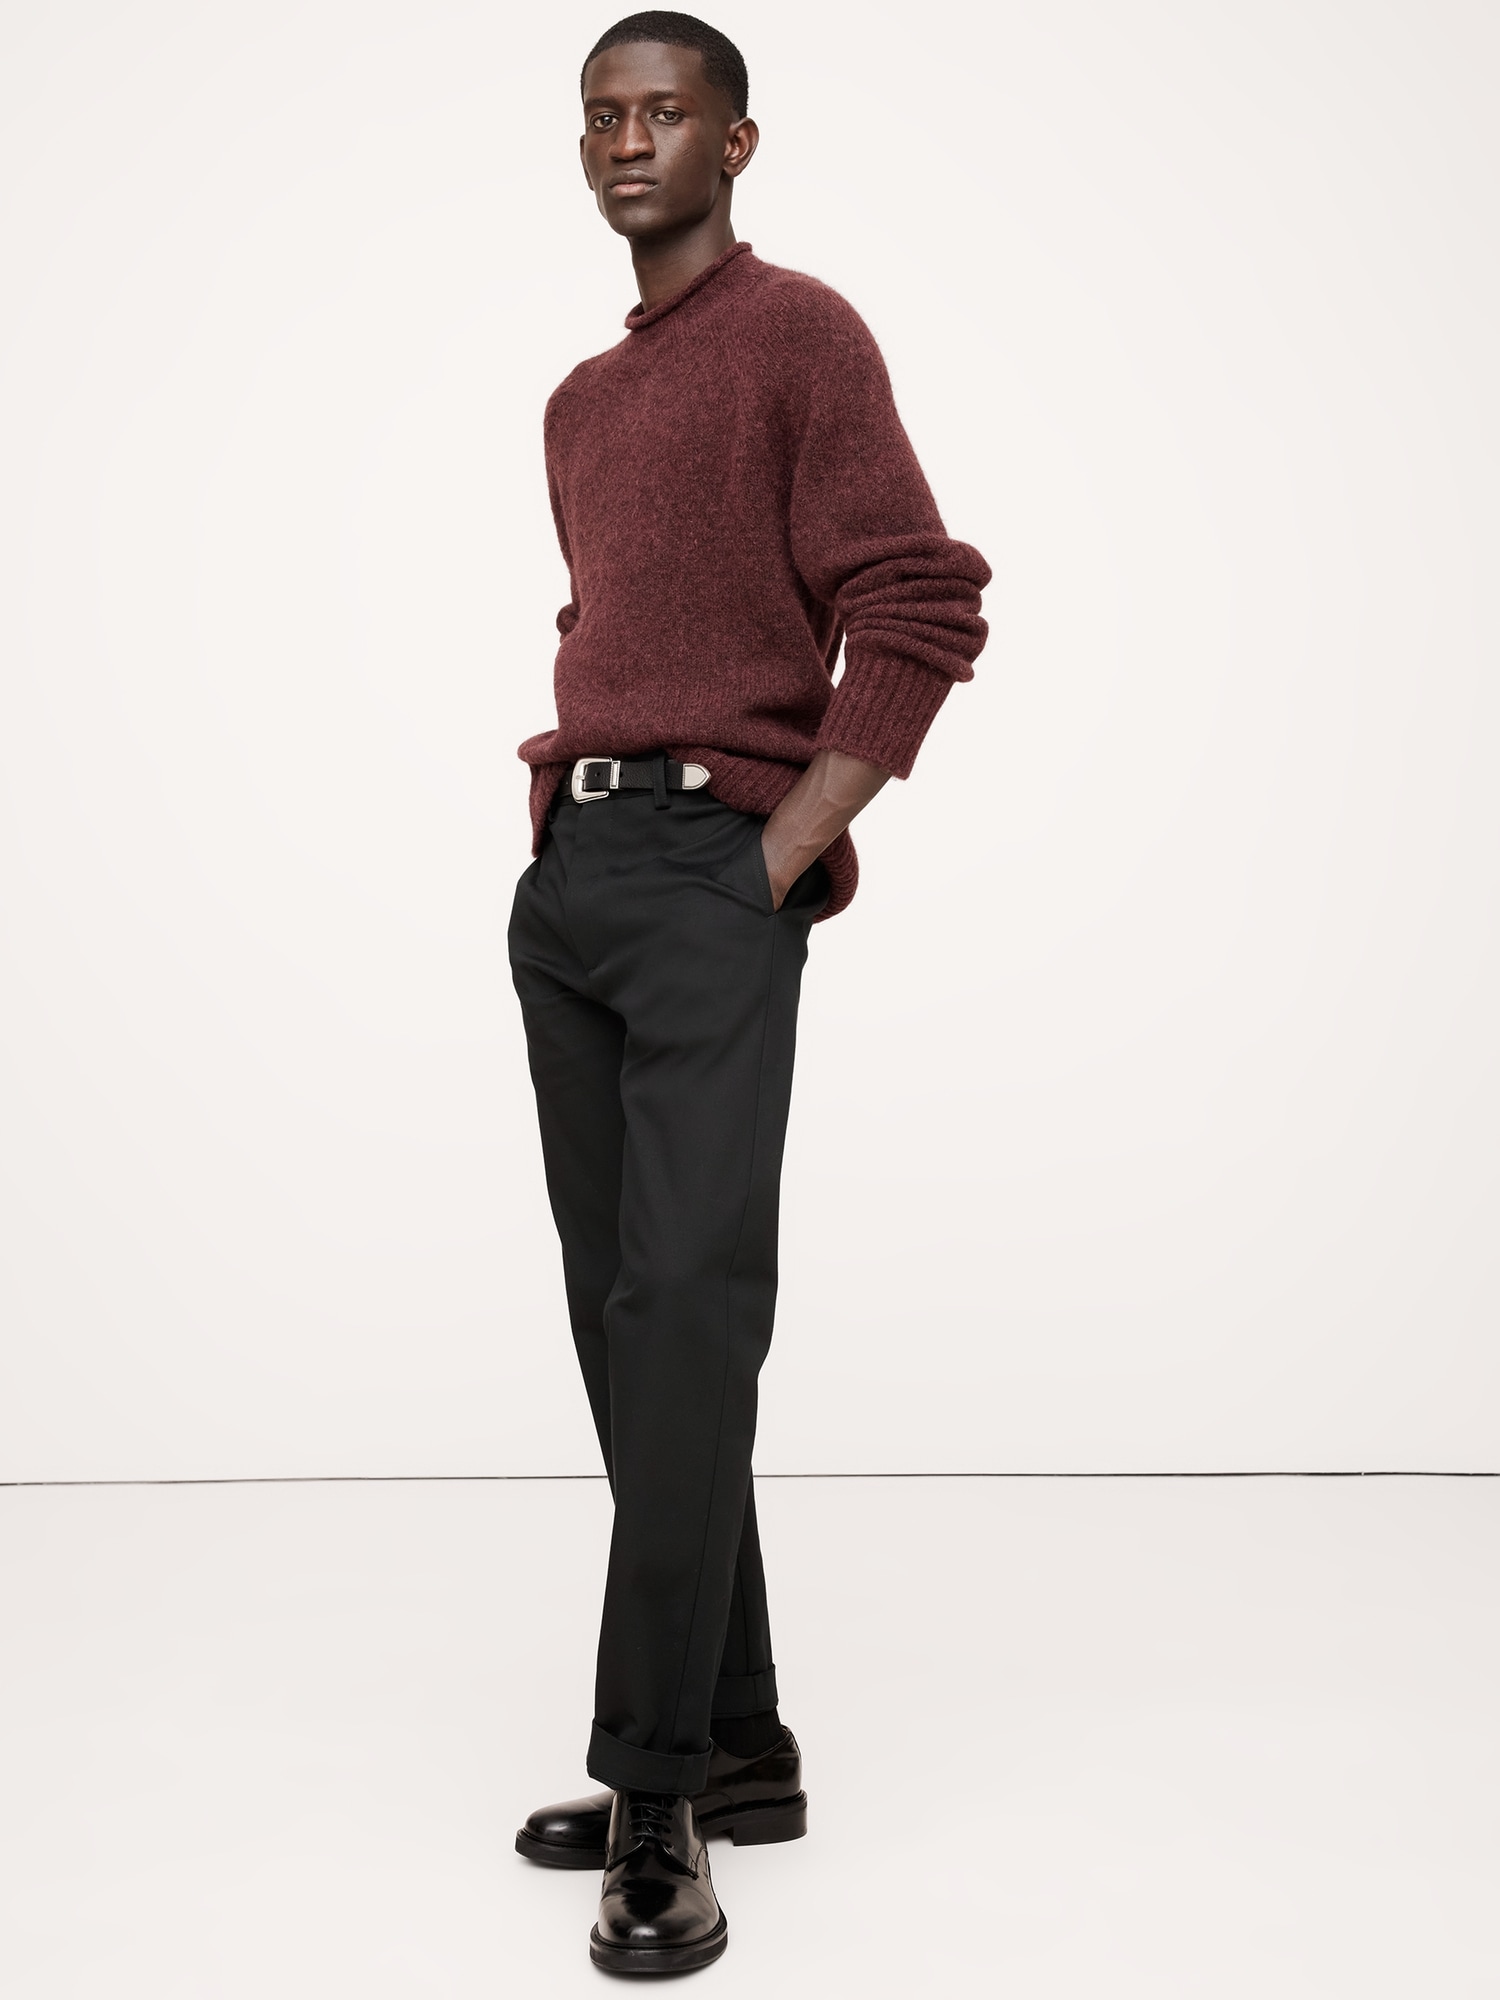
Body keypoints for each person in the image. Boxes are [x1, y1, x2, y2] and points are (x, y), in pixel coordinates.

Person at [507, 11, 990, 1975]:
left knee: (689, 1314)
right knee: (634, 1335)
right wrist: (564, 844)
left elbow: (920, 595)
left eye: (664, 111)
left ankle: (654, 1797)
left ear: (738, 140)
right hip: (575, 885)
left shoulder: (800, 336)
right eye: (600, 117)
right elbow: (615, 624)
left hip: (715, 873)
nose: (629, 141)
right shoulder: (578, 403)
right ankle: (740, 1743)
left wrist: (781, 849)